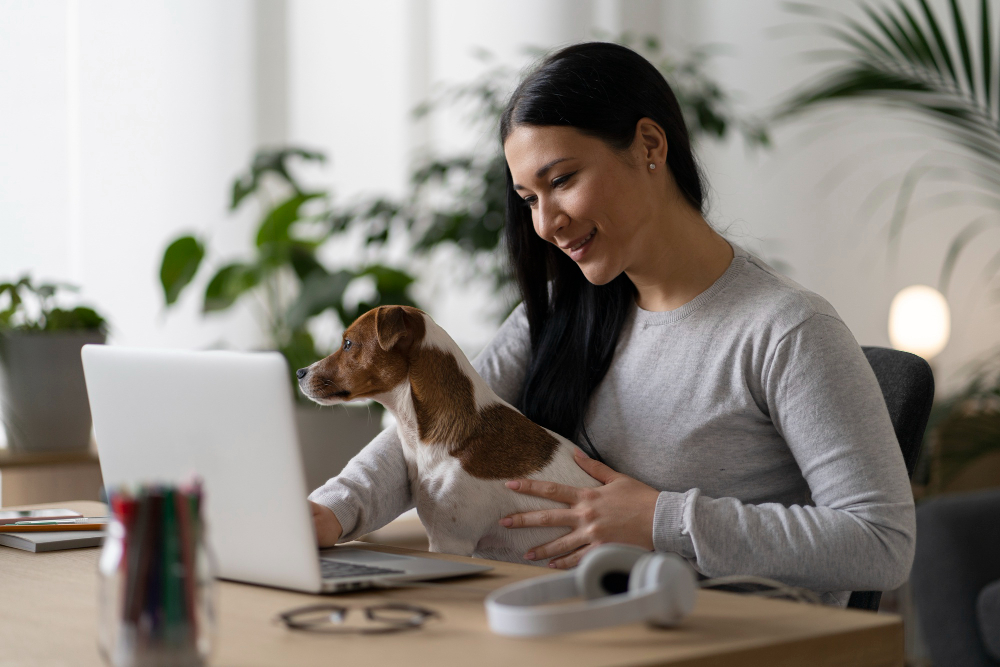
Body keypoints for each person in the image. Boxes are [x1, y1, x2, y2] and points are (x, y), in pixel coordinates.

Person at [308, 41, 915, 606]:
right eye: (528, 199)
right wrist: (333, 511)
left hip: (715, 635)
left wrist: (662, 520)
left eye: (561, 180)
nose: (545, 224)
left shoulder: (786, 332)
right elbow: (438, 424)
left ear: (650, 145)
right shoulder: (557, 313)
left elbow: (883, 545)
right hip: (573, 615)